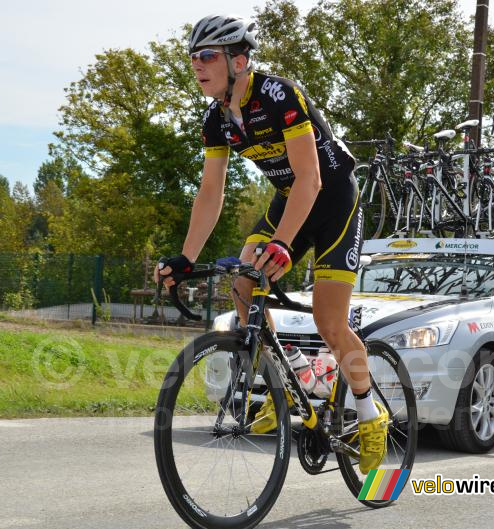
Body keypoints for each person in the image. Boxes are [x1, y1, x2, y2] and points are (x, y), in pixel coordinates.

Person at [155, 14, 387, 474]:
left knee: (329, 320)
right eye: (193, 57)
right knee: (243, 283)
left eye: (207, 56)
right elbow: (211, 192)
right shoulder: (216, 119)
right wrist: (186, 257)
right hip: (290, 201)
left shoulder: (278, 95)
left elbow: (310, 177)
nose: (197, 65)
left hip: (333, 200)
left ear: (239, 61)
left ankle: (368, 412)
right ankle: (290, 379)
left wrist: (281, 243)